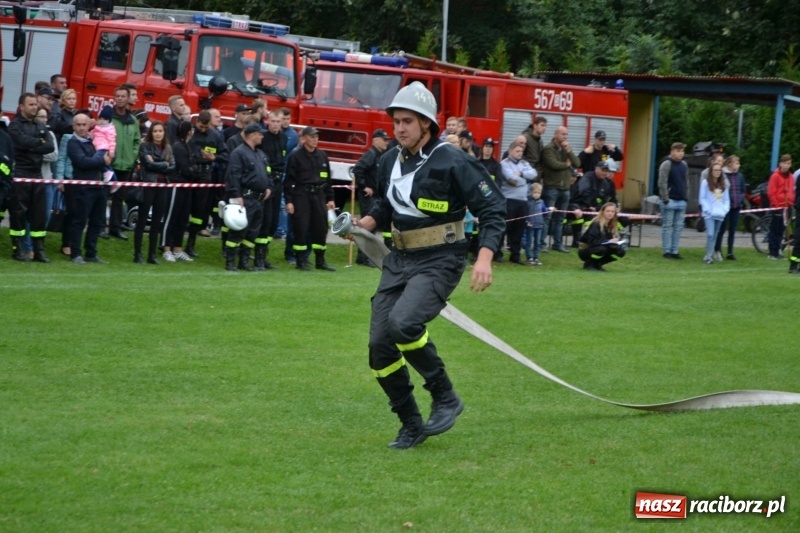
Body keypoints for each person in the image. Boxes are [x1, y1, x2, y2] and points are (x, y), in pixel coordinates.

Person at [351, 82, 506, 449]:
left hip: (441, 259)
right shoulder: (388, 160)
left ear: (426, 124)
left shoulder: (453, 159)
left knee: (404, 323)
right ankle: (411, 424)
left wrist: (484, 257)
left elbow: (493, 209)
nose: (399, 128)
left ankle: (445, 396)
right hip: (399, 259)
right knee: (379, 347)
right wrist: (364, 226)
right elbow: (385, 207)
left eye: (407, 121)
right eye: (396, 122)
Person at [7, 92, 56, 262]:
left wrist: (31, 147)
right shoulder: (14, 125)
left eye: (36, 104)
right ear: (22, 107)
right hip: (20, 174)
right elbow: (20, 142)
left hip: (37, 175)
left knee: (39, 215)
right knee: (18, 213)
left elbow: (49, 146)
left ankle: (39, 250)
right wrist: (37, 144)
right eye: (31, 104)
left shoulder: (40, 125)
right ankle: (18, 248)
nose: (35, 107)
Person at [223, 122, 275, 271]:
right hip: (245, 199)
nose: (262, 136)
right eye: (260, 134)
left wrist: (269, 188)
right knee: (238, 231)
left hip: (259, 200)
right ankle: (230, 261)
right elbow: (233, 175)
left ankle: (244, 262)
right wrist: (236, 195)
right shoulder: (238, 153)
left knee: (252, 232)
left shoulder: (260, 154)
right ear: (252, 135)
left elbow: (268, 173)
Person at [284, 126, 336, 271]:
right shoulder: (296, 156)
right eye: (312, 137)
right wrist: (289, 200)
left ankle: (320, 260)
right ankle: (300, 260)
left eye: (316, 137)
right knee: (301, 227)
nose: (315, 140)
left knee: (321, 228)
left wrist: (330, 198)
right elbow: (289, 181)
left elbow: (327, 179)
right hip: (302, 196)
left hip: (319, 195)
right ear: (304, 138)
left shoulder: (322, 156)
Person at [66, 113, 113, 264]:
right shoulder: (73, 142)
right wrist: (101, 159)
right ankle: (75, 253)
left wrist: (106, 157)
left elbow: (110, 155)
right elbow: (82, 162)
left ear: (88, 125)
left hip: (100, 186)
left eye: (84, 124)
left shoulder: (94, 139)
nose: (81, 128)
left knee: (96, 222)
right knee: (79, 221)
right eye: (78, 125)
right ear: (74, 126)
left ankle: (91, 253)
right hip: (83, 187)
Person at [185, 110, 227, 258]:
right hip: (189, 174)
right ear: (197, 122)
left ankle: (191, 244)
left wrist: (214, 158)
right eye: (200, 126)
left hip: (205, 176)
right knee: (183, 209)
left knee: (199, 212)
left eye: (205, 127)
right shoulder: (190, 133)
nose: (203, 129)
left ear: (210, 123)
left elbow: (226, 155)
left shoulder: (215, 135)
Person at [134, 121, 175, 264]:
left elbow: (173, 167)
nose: (158, 133)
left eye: (160, 131)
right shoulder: (145, 146)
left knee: (157, 222)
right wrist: (164, 164)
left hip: (163, 186)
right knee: (142, 220)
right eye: (155, 131)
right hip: (149, 185)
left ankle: (152, 255)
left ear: (164, 133)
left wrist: (158, 163)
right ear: (151, 133)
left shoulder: (168, 148)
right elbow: (148, 164)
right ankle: (137, 254)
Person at [352, 128, 390, 266]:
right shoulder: (371, 154)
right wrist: (363, 186)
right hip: (368, 196)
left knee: (372, 228)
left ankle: (365, 256)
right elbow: (358, 169)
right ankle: (363, 257)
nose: (386, 143)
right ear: (375, 141)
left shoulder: (381, 155)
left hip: (377, 196)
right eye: (384, 140)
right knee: (368, 227)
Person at [256, 109, 288, 268]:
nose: (275, 124)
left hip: (278, 181)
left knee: (274, 221)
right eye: (273, 121)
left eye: (278, 121)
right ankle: (258, 257)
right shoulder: (262, 137)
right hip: (265, 181)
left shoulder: (283, 137)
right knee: (265, 219)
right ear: (268, 121)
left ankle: (264, 254)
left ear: (283, 122)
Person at [541, 126, 580, 253]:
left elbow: (577, 164)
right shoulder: (548, 149)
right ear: (555, 134)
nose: (565, 137)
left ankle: (558, 244)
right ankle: (542, 243)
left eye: (566, 134)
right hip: (552, 187)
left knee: (560, 218)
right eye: (563, 134)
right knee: (547, 217)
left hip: (565, 188)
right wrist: (566, 165)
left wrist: (569, 151)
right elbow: (553, 164)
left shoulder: (565, 150)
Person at [109, 86, 140, 240]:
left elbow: (136, 141)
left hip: (126, 165)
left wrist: (132, 157)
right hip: (110, 164)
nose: (120, 98)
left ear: (127, 99)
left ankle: (115, 228)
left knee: (119, 198)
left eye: (123, 96)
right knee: (102, 196)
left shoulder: (133, 120)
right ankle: (101, 226)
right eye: (117, 96)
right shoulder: (109, 116)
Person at [162, 121, 195, 263]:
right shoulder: (178, 147)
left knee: (182, 219)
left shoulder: (186, 146)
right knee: (171, 217)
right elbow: (186, 169)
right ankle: (166, 249)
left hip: (186, 187)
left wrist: (193, 170)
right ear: (188, 132)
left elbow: (192, 167)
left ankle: (177, 249)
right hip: (177, 186)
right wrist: (193, 171)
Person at [500, 140, 537, 264]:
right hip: (509, 200)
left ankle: (515, 255)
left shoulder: (524, 163)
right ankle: (497, 253)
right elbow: (511, 180)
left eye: (521, 151)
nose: (520, 153)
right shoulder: (504, 164)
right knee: (505, 228)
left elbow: (534, 174)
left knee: (519, 229)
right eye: (517, 151)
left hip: (523, 201)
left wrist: (521, 173)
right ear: (510, 151)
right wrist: (525, 180)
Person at [658, 142, 689, 259]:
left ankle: (675, 250)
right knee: (667, 226)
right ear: (672, 151)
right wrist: (665, 199)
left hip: (681, 200)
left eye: (682, 151)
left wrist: (686, 197)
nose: (680, 153)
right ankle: (667, 250)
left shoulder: (684, 165)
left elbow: (686, 182)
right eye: (678, 151)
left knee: (678, 227)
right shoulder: (666, 164)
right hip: (669, 200)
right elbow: (662, 182)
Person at [578, 202, 626, 271]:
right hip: (587, 249)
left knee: (620, 251)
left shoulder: (612, 225)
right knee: (601, 249)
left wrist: (614, 243)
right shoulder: (596, 223)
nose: (610, 213)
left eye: (612, 211)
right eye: (608, 211)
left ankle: (598, 264)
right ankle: (589, 264)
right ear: (603, 212)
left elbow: (625, 221)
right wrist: (608, 241)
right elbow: (592, 241)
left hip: (602, 246)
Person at [699, 161, 730, 265]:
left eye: (719, 170)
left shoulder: (723, 184)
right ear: (711, 171)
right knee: (710, 234)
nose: (717, 172)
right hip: (709, 214)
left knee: (715, 235)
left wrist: (725, 210)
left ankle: (709, 255)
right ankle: (708, 256)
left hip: (719, 214)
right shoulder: (705, 183)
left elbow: (726, 200)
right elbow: (702, 198)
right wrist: (708, 209)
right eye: (715, 170)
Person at [716, 155, 746, 260]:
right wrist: (721, 204)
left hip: (736, 207)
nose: (739, 165)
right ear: (730, 164)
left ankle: (730, 252)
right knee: (722, 229)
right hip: (725, 207)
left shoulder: (740, 176)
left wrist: (741, 200)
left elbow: (742, 190)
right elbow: (719, 190)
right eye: (736, 163)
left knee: (732, 230)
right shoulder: (723, 175)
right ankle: (717, 250)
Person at [766, 154, 794, 260]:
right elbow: (771, 192)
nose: (787, 166)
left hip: (788, 206)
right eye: (785, 163)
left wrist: (791, 202)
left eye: (789, 163)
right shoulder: (775, 176)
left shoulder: (790, 176)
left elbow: (791, 191)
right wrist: (776, 204)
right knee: (775, 230)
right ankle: (772, 251)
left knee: (782, 230)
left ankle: (778, 250)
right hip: (778, 207)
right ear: (781, 164)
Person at [523, 182, 547, 266]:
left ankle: (536, 257)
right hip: (530, 225)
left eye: (539, 193)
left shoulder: (541, 202)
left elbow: (544, 212)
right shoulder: (528, 202)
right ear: (531, 192)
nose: (537, 194)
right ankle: (529, 257)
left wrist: (549, 209)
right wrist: (526, 222)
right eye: (535, 192)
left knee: (537, 242)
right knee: (529, 242)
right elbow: (525, 213)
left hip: (539, 225)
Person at [93, 105, 117, 183]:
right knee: (105, 164)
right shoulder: (97, 127)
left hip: (103, 148)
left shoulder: (109, 129)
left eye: (105, 119)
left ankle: (108, 174)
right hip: (98, 147)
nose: (102, 121)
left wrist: (111, 151)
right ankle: (114, 179)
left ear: (109, 120)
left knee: (97, 161)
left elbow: (112, 141)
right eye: (100, 118)